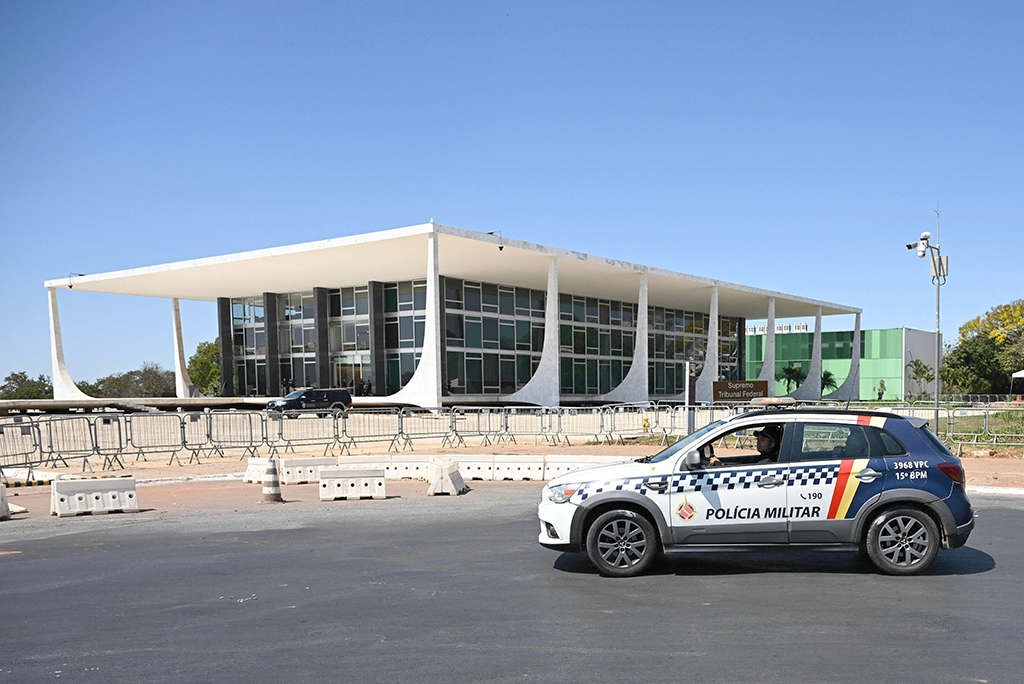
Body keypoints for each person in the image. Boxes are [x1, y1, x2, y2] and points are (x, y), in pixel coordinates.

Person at [708, 425, 782, 467]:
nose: (758, 442)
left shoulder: (768, 461)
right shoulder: (763, 457)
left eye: (762, 440)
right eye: (758, 439)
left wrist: (721, 465)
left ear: (772, 444)